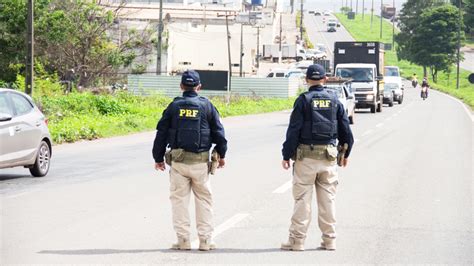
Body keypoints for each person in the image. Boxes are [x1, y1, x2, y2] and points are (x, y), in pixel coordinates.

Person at [280, 64, 354, 251]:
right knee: (328, 200)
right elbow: (346, 129)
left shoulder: (303, 100)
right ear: (325, 79)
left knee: (302, 200)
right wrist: (346, 152)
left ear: (306, 80)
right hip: (328, 158)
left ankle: (297, 241)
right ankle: (329, 240)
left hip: (305, 158)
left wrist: (286, 155)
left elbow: (293, 131)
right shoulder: (334, 100)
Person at [152, 70, 227, 251]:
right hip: (200, 163)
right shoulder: (207, 106)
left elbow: (161, 133)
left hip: (178, 164)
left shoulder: (174, 106)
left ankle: (183, 240)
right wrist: (222, 154)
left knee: (179, 201)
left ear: (181, 86)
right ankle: (205, 241)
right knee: (204, 201)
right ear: (199, 87)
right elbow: (219, 133)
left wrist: (158, 157)